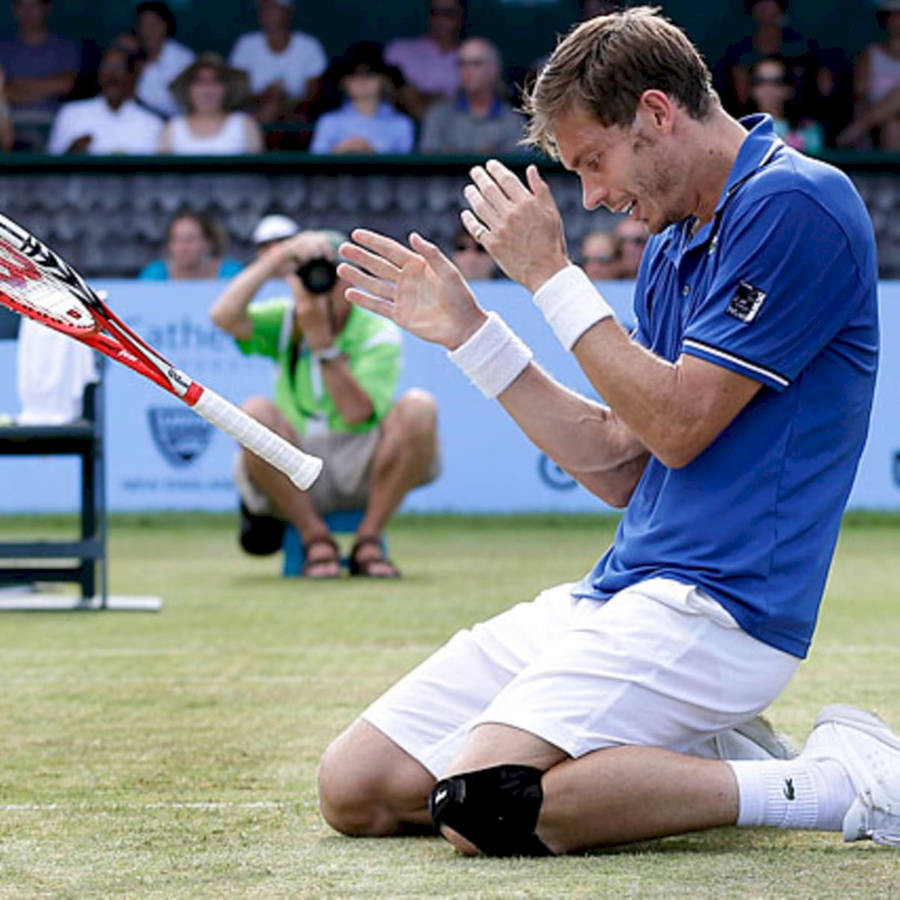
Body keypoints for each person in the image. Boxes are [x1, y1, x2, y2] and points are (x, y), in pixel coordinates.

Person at [322, 7, 893, 858]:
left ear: (658, 114)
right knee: (356, 787)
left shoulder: (797, 205)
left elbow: (678, 425)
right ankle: (690, 748)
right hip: (623, 591)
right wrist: (476, 335)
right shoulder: (673, 237)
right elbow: (628, 463)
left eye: (593, 161)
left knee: (482, 802)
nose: (592, 195)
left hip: (726, 610)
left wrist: (553, 274)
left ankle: (835, 782)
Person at [209, 229, 440, 579]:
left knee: (420, 408)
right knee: (253, 413)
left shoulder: (374, 329)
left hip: (363, 460)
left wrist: (322, 343)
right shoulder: (287, 318)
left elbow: (357, 412)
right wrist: (279, 258)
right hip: (295, 461)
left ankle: (369, 540)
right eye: (312, 275)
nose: (323, 285)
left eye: (332, 276)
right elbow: (223, 317)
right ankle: (314, 539)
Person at [46, 41, 162, 155]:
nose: (112, 75)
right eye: (107, 67)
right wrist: (72, 152)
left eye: (119, 68)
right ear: (98, 74)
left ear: (130, 75)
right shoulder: (71, 115)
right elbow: (51, 167)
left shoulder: (151, 124)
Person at [228, 0, 327, 128]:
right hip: (255, 113)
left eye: (274, 8)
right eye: (263, 9)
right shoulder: (246, 44)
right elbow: (237, 92)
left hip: (296, 115)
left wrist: (284, 102)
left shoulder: (309, 46)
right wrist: (266, 97)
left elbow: (314, 94)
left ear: (288, 12)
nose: (267, 13)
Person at [419, 37, 525, 154]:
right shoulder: (439, 115)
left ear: (494, 69)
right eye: (462, 64)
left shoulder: (513, 122)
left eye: (476, 63)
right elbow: (428, 164)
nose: (468, 70)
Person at [310, 43, 414, 155]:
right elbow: (315, 164)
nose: (361, 80)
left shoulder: (401, 124)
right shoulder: (329, 122)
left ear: (384, 80)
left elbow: (406, 168)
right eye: (353, 74)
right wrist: (340, 151)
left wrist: (372, 154)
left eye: (369, 74)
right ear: (344, 82)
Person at [0, 0, 78, 150]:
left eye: (33, 6)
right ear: (14, 10)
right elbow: (2, 91)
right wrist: (46, 86)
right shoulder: (3, 48)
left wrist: (15, 86)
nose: (27, 12)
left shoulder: (64, 47)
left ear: (46, 8)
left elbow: (65, 85)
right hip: (9, 121)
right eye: (22, 6)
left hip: (52, 119)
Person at [159, 53, 263, 155]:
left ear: (227, 88)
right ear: (188, 88)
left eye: (215, 81)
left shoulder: (244, 125)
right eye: (200, 81)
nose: (207, 90)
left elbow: (258, 170)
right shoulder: (173, 128)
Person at [385, 0, 465, 121]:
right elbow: (387, 92)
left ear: (461, 18)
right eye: (435, 13)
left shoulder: (474, 58)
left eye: (448, 13)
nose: (440, 19)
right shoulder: (399, 50)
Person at [838, 0, 900, 150]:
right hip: (878, 128)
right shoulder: (870, 54)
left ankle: (856, 130)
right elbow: (860, 96)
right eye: (894, 15)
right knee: (893, 126)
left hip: (866, 124)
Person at [747, 55, 823, 155]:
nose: (768, 88)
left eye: (777, 82)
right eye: (760, 81)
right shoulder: (739, 128)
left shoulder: (808, 130)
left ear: (789, 88)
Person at [133, 1, 195, 119]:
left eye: (154, 24)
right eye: (143, 25)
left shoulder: (183, 59)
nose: (148, 31)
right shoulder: (131, 56)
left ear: (166, 26)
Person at [139, 209, 242, 280]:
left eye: (190, 240)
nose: (183, 247)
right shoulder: (154, 275)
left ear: (208, 243)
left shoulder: (231, 273)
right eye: (176, 240)